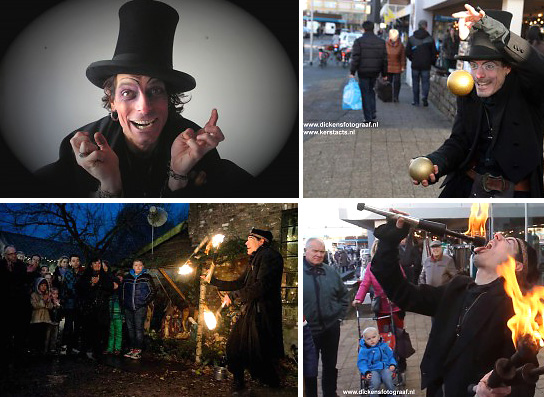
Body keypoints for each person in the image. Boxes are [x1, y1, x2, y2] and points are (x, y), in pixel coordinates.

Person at [36, 0, 251, 198]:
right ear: (112, 101)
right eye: (128, 93)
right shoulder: (80, 151)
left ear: (169, 98)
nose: (144, 107)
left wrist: (178, 177)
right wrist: (109, 186)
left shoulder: (198, 147)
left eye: (156, 91)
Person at [370, 211, 540, 397]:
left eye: (508, 242)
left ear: (516, 265)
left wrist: (503, 393)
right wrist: (389, 242)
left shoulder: (518, 311)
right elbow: (401, 293)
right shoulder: (458, 287)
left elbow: (525, 381)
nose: (497, 235)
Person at [412, 8, 544, 198]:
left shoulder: (529, 91)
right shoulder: (469, 91)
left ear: (508, 67)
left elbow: (541, 70)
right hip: (468, 185)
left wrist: (494, 30)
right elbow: (460, 141)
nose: (479, 75)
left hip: (515, 194)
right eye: (474, 65)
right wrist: (434, 162)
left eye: (489, 66)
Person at [209, 229, 285, 393]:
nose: (245, 242)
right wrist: (214, 281)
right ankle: (240, 381)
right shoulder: (255, 259)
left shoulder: (270, 257)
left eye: (249, 238)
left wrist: (234, 296)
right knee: (235, 346)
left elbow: (261, 285)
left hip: (262, 313)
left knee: (260, 351)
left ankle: (271, 383)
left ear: (261, 241)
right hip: (251, 310)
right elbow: (240, 283)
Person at [353, 243, 409, 378]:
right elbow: (365, 284)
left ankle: (401, 360)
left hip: (396, 307)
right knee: (383, 338)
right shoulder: (371, 268)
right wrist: (358, 299)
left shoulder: (395, 266)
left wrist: (395, 296)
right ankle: (385, 361)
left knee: (398, 335)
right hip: (382, 309)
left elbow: (403, 282)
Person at [302, 237, 348, 397]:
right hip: (308, 332)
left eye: (322, 251)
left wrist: (339, 317)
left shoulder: (330, 272)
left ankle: (330, 393)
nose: (319, 254)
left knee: (330, 365)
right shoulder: (300, 273)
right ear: (306, 250)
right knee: (310, 370)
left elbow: (344, 295)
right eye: (315, 251)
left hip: (330, 328)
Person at [350, 20, 388, 123]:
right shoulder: (381, 42)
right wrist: (384, 74)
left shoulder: (359, 41)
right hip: (375, 72)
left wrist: (352, 72)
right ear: (373, 29)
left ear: (364, 29)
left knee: (365, 93)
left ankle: (368, 118)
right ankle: (373, 112)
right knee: (371, 91)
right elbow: (385, 59)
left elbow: (355, 58)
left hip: (363, 72)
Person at [76, 259, 113, 359]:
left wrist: (99, 283)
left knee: (100, 330)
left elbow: (110, 289)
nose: (97, 265)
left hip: (101, 308)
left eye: (99, 263)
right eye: (95, 263)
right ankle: (84, 350)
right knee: (87, 330)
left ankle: (98, 351)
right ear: (91, 265)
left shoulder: (105, 276)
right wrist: (91, 284)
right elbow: (79, 288)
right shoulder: (86, 275)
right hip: (89, 308)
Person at [121, 260, 154, 359]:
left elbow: (152, 291)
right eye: (136, 265)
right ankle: (132, 348)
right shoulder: (127, 278)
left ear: (143, 266)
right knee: (130, 329)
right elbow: (122, 291)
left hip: (140, 307)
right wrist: (124, 303)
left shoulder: (146, 278)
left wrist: (143, 302)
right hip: (128, 307)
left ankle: (138, 349)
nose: (138, 267)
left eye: (140, 265)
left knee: (139, 329)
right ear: (132, 267)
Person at [357, 327, 398, 397]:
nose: (372, 340)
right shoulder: (364, 350)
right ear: (364, 340)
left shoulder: (384, 346)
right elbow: (361, 363)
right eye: (368, 339)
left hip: (385, 367)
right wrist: (366, 371)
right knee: (375, 383)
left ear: (378, 337)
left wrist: (392, 364)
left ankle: (391, 394)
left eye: (374, 337)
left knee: (388, 379)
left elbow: (390, 356)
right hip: (372, 370)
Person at [406, 20, 438, 107]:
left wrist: (413, 59)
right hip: (426, 65)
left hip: (415, 64)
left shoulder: (411, 38)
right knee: (425, 82)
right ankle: (424, 97)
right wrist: (431, 62)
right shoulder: (430, 39)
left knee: (415, 82)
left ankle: (415, 101)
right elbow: (434, 53)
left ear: (418, 26)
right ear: (426, 27)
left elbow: (407, 52)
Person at [52, 256, 79, 355]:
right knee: (68, 325)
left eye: (77, 261)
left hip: (76, 303)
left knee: (74, 325)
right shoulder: (68, 273)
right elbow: (71, 288)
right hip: (69, 302)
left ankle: (71, 345)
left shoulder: (79, 273)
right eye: (73, 261)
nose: (75, 263)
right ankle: (65, 345)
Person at [30, 277, 60, 355]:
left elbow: (50, 306)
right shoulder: (34, 295)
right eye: (41, 285)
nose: (43, 287)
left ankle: (42, 352)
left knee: (43, 337)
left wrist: (47, 301)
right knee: (36, 336)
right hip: (36, 319)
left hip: (45, 319)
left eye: (45, 285)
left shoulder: (47, 295)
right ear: (38, 286)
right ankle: (35, 351)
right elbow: (35, 305)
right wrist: (43, 300)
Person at [105, 270, 124, 356]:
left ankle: (117, 348)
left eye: (115, 283)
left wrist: (123, 317)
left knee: (118, 333)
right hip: (111, 316)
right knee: (111, 333)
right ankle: (110, 348)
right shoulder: (109, 294)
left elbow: (123, 306)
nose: (114, 285)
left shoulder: (120, 294)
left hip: (118, 317)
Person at [385, 29, 407, 103]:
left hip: (397, 66)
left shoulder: (401, 46)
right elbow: (383, 56)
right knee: (388, 82)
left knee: (397, 82)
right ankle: (389, 96)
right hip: (388, 66)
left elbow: (403, 57)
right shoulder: (385, 44)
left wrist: (403, 66)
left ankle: (395, 97)